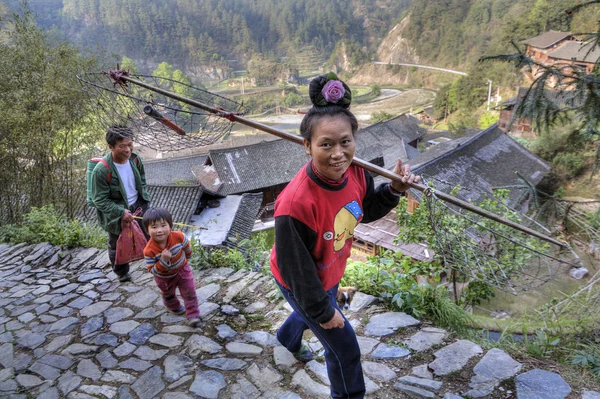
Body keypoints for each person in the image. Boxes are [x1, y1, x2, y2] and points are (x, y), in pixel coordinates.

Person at [269, 72, 420, 399]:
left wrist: (394, 189)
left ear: (354, 140)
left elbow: (363, 210)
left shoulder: (355, 172)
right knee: (345, 350)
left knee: (309, 313)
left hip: (330, 268)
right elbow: (299, 275)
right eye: (326, 144)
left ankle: (287, 338)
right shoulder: (294, 205)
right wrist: (325, 313)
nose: (338, 153)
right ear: (306, 146)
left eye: (345, 142)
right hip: (301, 277)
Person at [91, 126, 151, 282]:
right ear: (111, 147)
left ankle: (154, 264)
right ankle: (122, 273)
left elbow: (142, 180)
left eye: (130, 144)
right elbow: (100, 199)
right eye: (122, 146)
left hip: (138, 205)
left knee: (150, 234)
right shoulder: (102, 170)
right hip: (117, 210)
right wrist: (120, 212)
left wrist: (144, 196)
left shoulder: (135, 159)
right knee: (118, 243)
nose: (128, 149)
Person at [142, 207, 201, 327]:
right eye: (154, 227)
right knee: (168, 294)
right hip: (164, 277)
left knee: (189, 291)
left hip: (182, 269)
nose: (159, 230)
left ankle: (193, 315)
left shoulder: (179, 236)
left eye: (163, 225)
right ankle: (174, 307)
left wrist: (188, 256)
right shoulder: (149, 251)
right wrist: (163, 261)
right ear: (147, 231)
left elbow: (186, 246)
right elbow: (152, 270)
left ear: (170, 226)